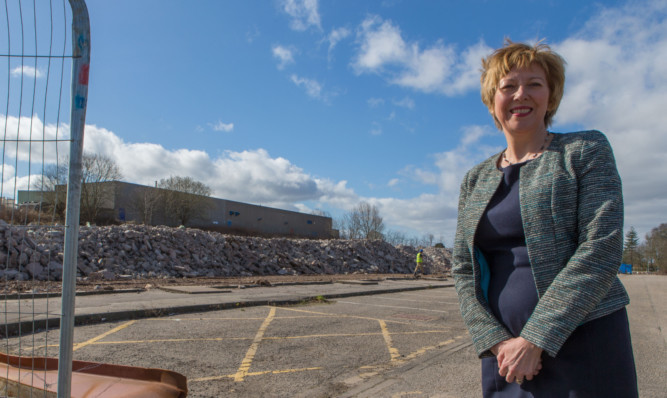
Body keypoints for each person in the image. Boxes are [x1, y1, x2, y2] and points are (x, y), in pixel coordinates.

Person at [451, 39, 638, 397]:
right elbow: (463, 267)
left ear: (550, 97)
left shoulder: (584, 151)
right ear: (493, 101)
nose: (521, 94)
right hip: (504, 352)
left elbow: (601, 247)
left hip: (584, 337)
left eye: (534, 84)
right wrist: (493, 339)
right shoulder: (475, 178)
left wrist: (537, 337)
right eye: (508, 87)